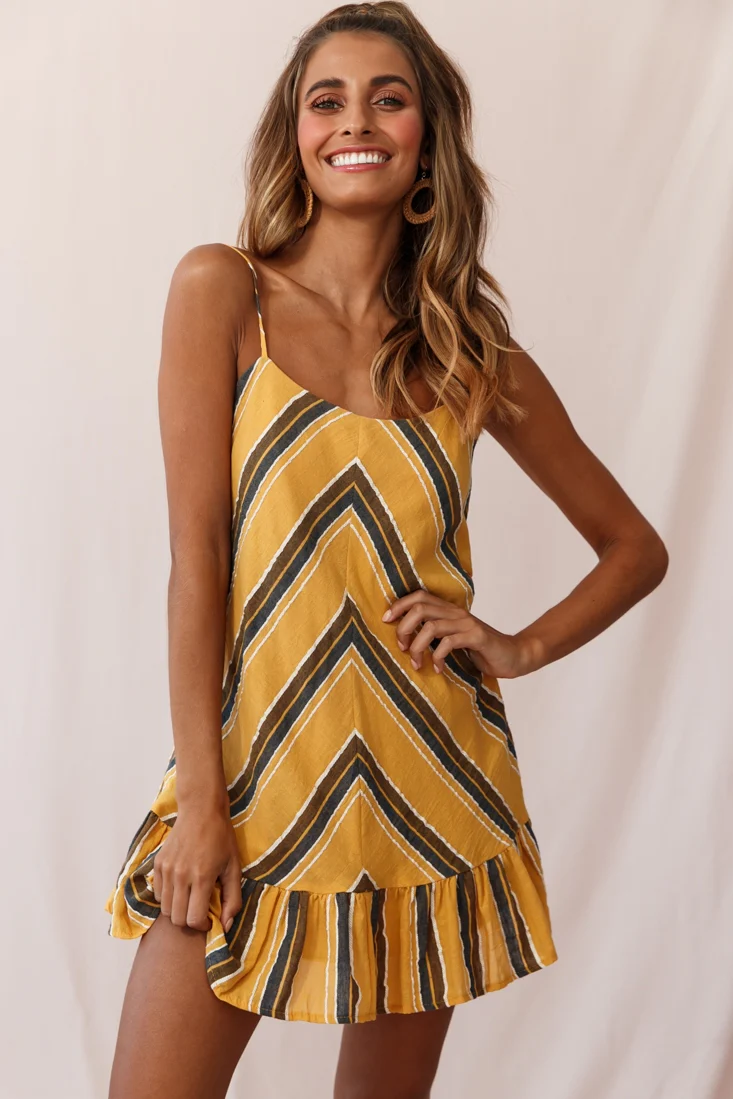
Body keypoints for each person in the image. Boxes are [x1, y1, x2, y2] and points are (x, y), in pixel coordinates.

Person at [104, 3, 669, 1097]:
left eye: (387, 98)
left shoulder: (468, 351)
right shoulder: (224, 291)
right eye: (328, 100)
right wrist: (202, 801)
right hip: (254, 781)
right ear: (297, 134)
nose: (355, 121)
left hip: (431, 788)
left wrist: (517, 646)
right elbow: (196, 559)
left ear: (426, 137)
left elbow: (632, 547)